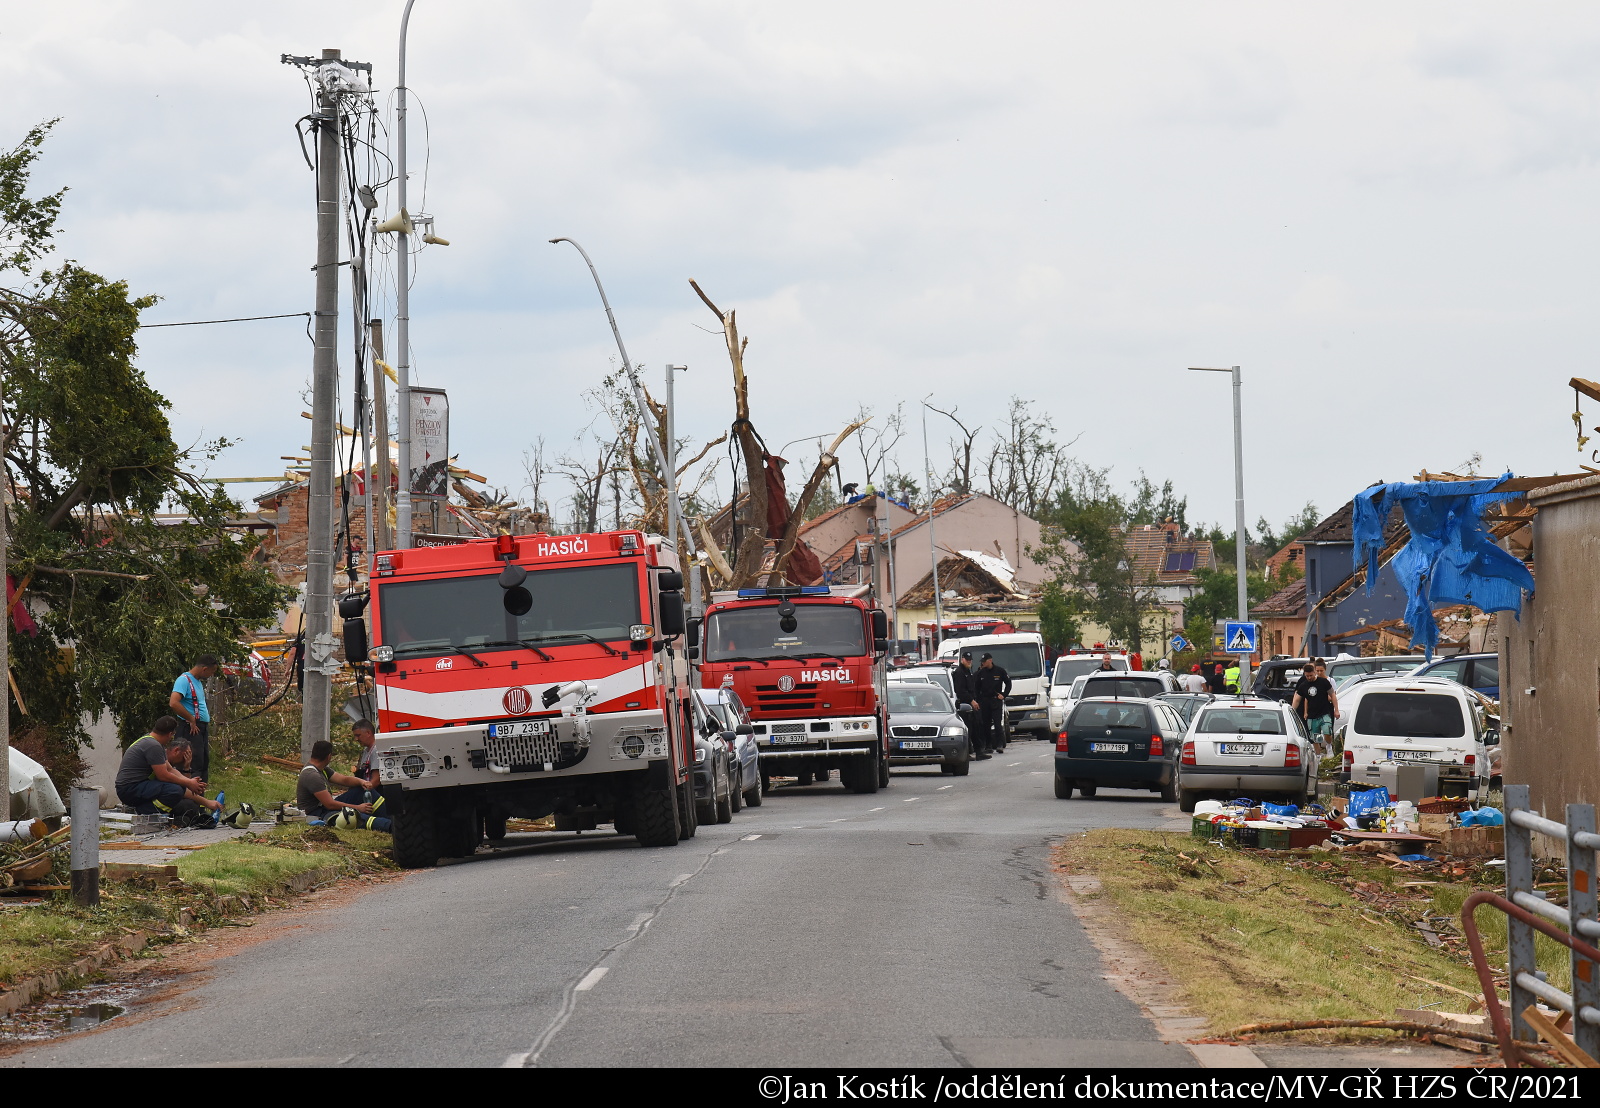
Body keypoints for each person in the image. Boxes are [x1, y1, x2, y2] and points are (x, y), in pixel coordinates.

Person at [115, 716, 222, 823]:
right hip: (129, 789)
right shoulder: (153, 746)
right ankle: (143, 813)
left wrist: (189, 783)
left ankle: (148, 811)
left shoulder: (151, 742)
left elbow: (170, 770)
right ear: (170, 734)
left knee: (178, 791)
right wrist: (188, 782)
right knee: (174, 791)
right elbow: (164, 776)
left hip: (134, 787)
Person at [298, 740, 390, 832]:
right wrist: (358, 808)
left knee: (361, 790)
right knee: (352, 816)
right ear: (329, 756)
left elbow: (344, 779)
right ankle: (389, 826)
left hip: (325, 807)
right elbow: (330, 804)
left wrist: (362, 782)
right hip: (319, 813)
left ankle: (393, 816)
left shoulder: (322, 769)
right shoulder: (312, 775)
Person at [169, 654, 219, 783]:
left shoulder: (197, 682)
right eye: (211, 671)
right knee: (192, 761)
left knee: (202, 761)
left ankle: (199, 796)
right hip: (190, 728)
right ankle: (189, 797)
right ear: (204, 669)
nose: (211, 675)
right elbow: (174, 702)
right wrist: (191, 718)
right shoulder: (184, 680)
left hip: (200, 728)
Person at [328, 718, 386, 817]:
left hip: (372, 794)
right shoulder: (365, 751)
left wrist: (361, 793)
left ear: (368, 733)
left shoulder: (376, 751)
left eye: (358, 735)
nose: (356, 739)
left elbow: (376, 780)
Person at [1292, 658, 1339, 755]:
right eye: (1307, 676)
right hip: (1312, 715)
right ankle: (1318, 756)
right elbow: (1298, 699)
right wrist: (1292, 711)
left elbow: (1333, 695)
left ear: (1314, 672)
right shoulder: (1304, 685)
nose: (1309, 677)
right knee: (1315, 738)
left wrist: (1336, 710)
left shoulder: (1324, 682)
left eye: (1311, 675)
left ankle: (1329, 745)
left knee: (1327, 732)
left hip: (1324, 712)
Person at [974, 653, 1012, 755]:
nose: (983, 663)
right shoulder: (980, 673)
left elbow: (1008, 683)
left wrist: (1004, 694)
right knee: (986, 724)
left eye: (984, 661)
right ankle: (988, 745)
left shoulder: (999, 671)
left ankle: (999, 745)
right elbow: (976, 688)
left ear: (990, 660)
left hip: (996, 700)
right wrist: (977, 700)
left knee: (997, 723)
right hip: (984, 701)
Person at [952, 652, 986, 759]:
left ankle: (979, 752)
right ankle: (966, 754)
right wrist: (971, 701)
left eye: (970, 660)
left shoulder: (967, 671)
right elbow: (961, 691)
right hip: (964, 706)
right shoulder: (959, 672)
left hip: (971, 704)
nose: (969, 661)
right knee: (968, 731)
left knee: (976, 728)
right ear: (962, 659)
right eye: (967, 660)